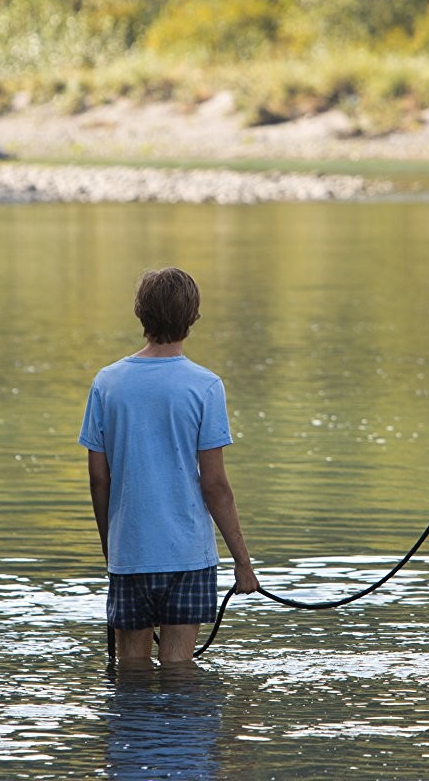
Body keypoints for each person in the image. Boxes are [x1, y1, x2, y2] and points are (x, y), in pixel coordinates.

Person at [80, 267, 260, 663]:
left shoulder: (107, 383)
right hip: (188, 556)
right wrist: (242, 563)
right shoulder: (205, 386)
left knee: (131, 673)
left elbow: (98, 478)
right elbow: (215, 485)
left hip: (130, 552)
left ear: (140, 314)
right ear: (193, 316)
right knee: (179, 670)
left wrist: (113, 548)